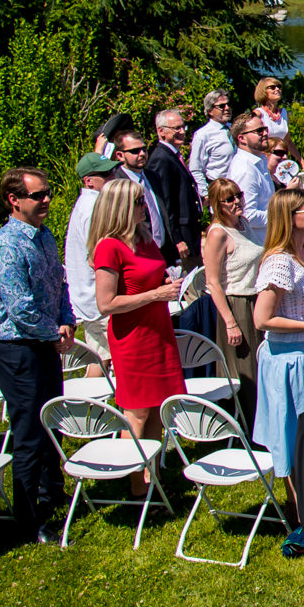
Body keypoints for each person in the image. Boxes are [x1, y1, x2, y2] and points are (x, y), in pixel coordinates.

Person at [0, 167, 76, 542]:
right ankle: (28, 517)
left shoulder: (44, 236)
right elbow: (19, 308)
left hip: (46, 341)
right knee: (28, 434)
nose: (47, 200)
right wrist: (54, 332)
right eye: (38, 196)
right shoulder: (5, 247)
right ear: (13, 200)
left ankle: (52, 492)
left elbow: (58, 282)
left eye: (48, 193)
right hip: (17, 349)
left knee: (50, 422)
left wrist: (66, 320)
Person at [250, 186, 304, 548]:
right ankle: (303, 519)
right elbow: (262, 318)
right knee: (293, 438)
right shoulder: (279, 261)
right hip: (286, 360)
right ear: (290, 217)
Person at [89, 178, 185, 496]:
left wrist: (166, 284)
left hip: (158, 331)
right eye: (138, 202)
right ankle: (135, 484)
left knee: (158, 407)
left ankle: (152, 475)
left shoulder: (143, 239)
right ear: (120, 208)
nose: (145, 207)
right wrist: (156, 294)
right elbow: (106, 304)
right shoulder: (109, 247)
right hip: (133, 336)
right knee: (137, 411)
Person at [200, 175, 263, 424]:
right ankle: (248, 428)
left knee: (260, 366)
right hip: (236, 303)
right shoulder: (218, 234)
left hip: (255, 298)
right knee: (247, 372)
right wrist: (230, 322)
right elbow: (213, 282)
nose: (237, 201)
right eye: (229, 199)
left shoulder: (243, 223)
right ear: (217, 204)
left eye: (239, 195)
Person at [63, 152, 115, 354]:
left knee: (100, 358)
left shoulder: (88, 204)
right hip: (98, 297)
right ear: (89, 181)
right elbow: (99, 256)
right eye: (106, 174)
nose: (113, 177)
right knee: (106, 360)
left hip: (92, 297)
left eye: (112, 172)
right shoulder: (92, 208)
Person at [144, 108, 199, 266]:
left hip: (190, 232)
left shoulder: (173, 155)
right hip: (182, 236)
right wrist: (177, 239)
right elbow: (165, 203)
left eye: (183, 127)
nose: (182, 132)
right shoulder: (161, 158)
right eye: (177, 128)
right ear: (161, 131)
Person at [227, 114, 275, 245]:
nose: (265, 133)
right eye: (259, 131)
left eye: (265, 129)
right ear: (242, 138)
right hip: (257, 243)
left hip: (266, 240)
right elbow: (247, 215)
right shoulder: (245, 169)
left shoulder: (259, 161)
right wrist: (281, 214)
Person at [188, 91, 234, 201]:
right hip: (220, 191)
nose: (227, 108)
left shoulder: (234, 129)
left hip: (239, 187)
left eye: (228, 104)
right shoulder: (203, 135)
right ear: (210, 111)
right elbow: (195, 168)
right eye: (221, 106)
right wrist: (205, 194)